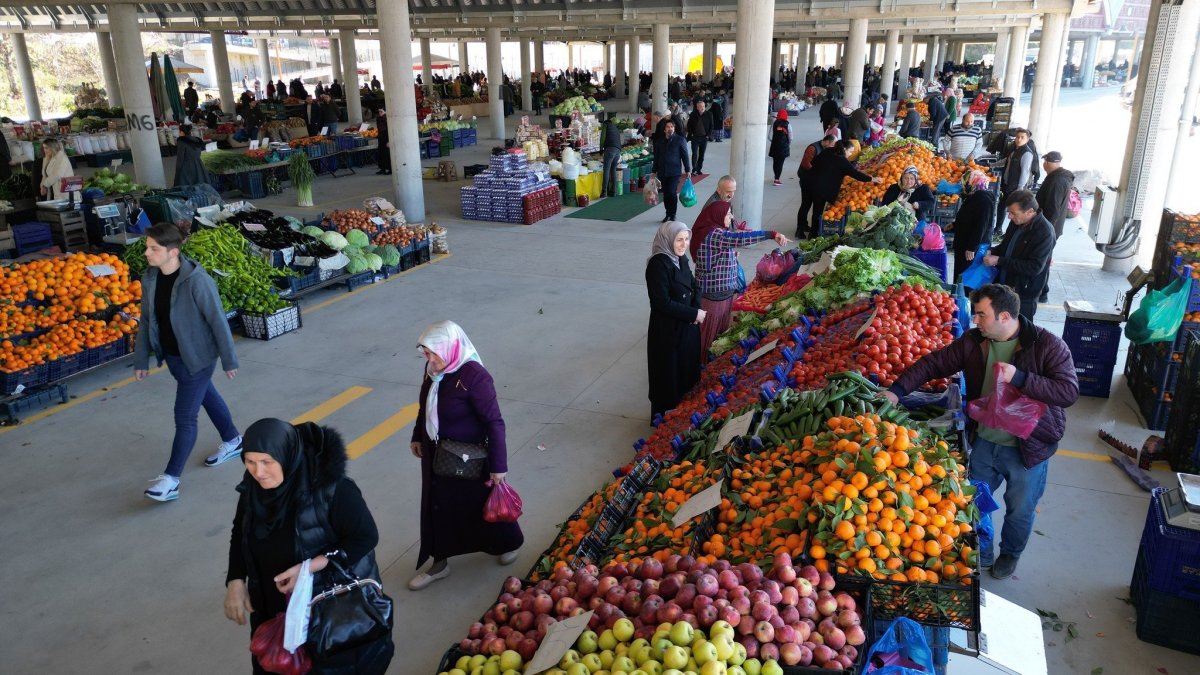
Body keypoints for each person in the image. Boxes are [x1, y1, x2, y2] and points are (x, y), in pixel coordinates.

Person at [883, 283, 1078, 580]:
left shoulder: (1047, 345)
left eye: (981, 314)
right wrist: (897, 391)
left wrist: (1022, 378)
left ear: (1004, 316)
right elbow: (935, 363)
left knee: (1020, 509)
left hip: (1028, 447)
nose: (975, 320)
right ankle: (982, 549)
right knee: (974, 503)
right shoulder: (974, 342)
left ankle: (1010, 554)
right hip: (985, 440)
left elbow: (1068, 392)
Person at [223, 418, 394, 673]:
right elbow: (240, 532)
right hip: (272, 608)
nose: (259, 472)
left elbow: (365, 537)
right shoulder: (253, 489)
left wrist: (311, 567)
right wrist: (235, 580)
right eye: (250, 462)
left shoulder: (333, 490)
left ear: (287, 455)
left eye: (267, 462)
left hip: (325, 612)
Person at [408, 321, 522, 590]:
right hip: (437, 455)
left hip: (470, 458)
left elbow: (494, 422)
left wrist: (498, 466)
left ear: (451, 348)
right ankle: (439, 563)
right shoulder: (433, 371)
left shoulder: (475, 376)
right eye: (426, 353)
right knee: (437, 507)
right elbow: (425, 407)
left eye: (434, 353)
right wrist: (417, 435)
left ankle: (508, 542)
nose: (429, 359)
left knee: (483, 503)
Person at [134, 223, 242, 502]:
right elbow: (146, 321)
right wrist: (141, 359)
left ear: (173, 252)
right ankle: (233, 439)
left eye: (153, 249)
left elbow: (217, 320)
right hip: (173, 357)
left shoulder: (196, 281)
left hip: (199, 357)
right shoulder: (151, 278)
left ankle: (170, 480)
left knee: (184, 416)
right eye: (147, 247)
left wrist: (229, 359)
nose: (147, 253)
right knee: (207, 395)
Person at [691, 201, 789, 358]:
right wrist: (771, 234)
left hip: (720, 292)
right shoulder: (715, 234)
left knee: (717, 333)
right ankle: (701, 363)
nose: (731, 217)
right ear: (717, 215)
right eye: (728, 214)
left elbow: (715, 255)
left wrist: (730, 256)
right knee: (709, 334)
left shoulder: (710, 231)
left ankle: (707, 361)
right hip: (715, 295)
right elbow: (741, 238)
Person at [645, 221, 704, 418]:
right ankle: (665, 421)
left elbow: (695, 285)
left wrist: (696, 308)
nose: (684, 244)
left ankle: (684, 416)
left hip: (687, 328)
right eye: (679, 240)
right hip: (668, 332)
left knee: (686, 373)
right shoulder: (658, 265)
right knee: (668, 377)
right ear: (668, 239)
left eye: (686, 239)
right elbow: (661, 303)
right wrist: (693, 314)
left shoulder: (681, 258)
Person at [983, 191, 1056, 319]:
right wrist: (992, 251)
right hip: (1005, 286)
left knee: (1019, 327)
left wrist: (999, 260)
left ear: (1030, 212)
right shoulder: (1016, 222)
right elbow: (1007, 246)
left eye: (1013, 213)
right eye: (1009, 212)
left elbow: (1034, 267)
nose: (1009, 217)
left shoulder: (1044, 232)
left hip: (1023, 294)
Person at [807, 140, 884, 238]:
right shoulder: (842, 160)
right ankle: (813, 234)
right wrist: (872, 179)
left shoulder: (828, 151)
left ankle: (803, 228)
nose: (851, 154)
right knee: (818, 210)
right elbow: (855, 174)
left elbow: (814, 162)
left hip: (811, 181)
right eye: (850, 151)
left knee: (808, 205)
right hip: (821, 187)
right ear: (844, 149)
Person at [1035, 151, 1075, 302]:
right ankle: (1042, 290)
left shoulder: (1056, 181)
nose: (1044, 164)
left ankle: (1041, 292)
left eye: (1045, 161)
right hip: (1052, 228)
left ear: (1047, 163)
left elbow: (1053, 210)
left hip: (1049, 229)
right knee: (1043, 259)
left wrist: (1045, 231)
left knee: (1042, 261)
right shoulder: (1058, 178)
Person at [947, 170, 998, 281]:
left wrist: (971, 247)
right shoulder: (973, 197)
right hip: (964, 243)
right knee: (960, 273)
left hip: (971, 246)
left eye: (966, 183)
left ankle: (962, 291)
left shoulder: (984, 200)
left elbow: (981, 226)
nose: (964, 186)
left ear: (974, 183)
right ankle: (958, 290)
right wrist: (955, 225)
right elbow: (968, 218)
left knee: (966, 275)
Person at [796, 135, 837, 237]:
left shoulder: (823, 149)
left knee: (808, 205)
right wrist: (818, 173)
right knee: (806, 205)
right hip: (807, 180)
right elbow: (806, 163)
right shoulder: (813, 148)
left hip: (813, 181)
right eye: (832, 144)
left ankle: (804, 226)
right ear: (827, 141)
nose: (832, 147)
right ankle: (800, 229)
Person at [651, 120, 691, 223]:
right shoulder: (659, 142)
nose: (670, 129)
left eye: (671, 127)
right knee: (665, 194)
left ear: (674, 128)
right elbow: (656, 157)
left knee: (672, 193)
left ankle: (673, 214)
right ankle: (667, 214)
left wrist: (687, 170)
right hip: (662, 172)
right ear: (664, 130)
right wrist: (654, 171)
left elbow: (685, 156)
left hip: (674, 172)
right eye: (668, 127)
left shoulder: (680, 140)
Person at [687, 100, 713, 174]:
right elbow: (689, 125)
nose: (702, 108)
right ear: (697, 107)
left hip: (704, 138)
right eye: (700, 106)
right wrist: (691, 134)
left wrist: (708, 135)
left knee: (701, 155)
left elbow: (711, 126)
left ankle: (699, 169)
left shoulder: (709, 114)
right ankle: (694, 169)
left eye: (703, 106)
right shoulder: (693, 114)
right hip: (695, 137)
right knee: (694, 154)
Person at [768, 110, 791, 186]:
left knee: (775, 162)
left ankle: (776, 176)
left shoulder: (774, 123)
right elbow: (791, 137)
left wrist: (774, 141)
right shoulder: (788, 124)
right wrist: (788, 143)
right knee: (780, 163)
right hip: (783, 147)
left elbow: (769, 136)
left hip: (775, 146)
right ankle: (777, 179)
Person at [375, 108, 391, 175]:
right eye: (379, 112)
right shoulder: (378, 119)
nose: (380, 113)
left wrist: (388, 141)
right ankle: (383, 169)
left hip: (386, 138)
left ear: (385, 112)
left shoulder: (387, 119)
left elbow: (389, 130)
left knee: (386, 154)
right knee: (381, 154)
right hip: (381, 138)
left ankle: (389, 169)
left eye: (381, 111)